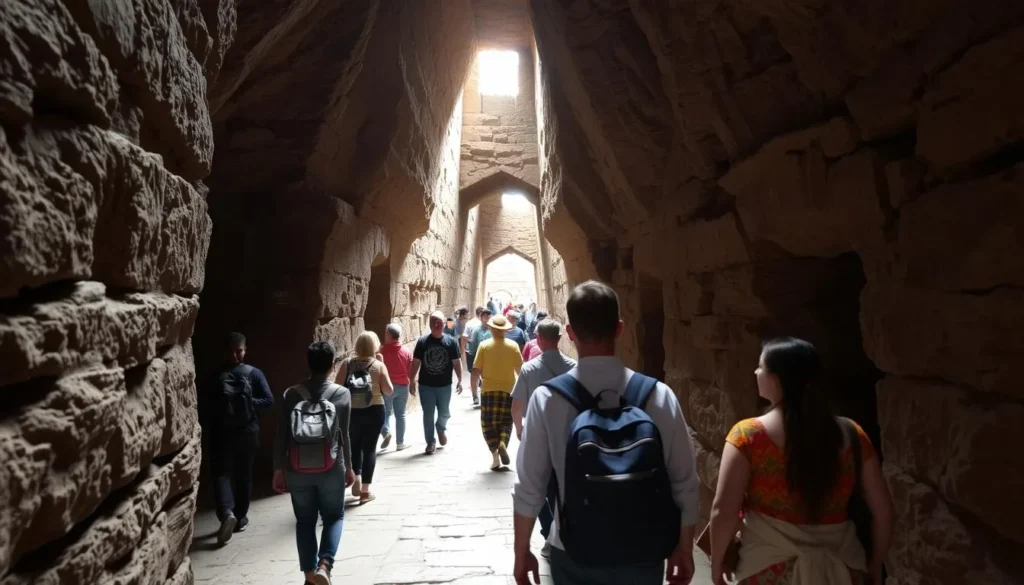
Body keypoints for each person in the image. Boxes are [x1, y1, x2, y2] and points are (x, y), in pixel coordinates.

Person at [512, 280, 699, 585]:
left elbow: (529, 487)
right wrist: (684, 546)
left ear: (570, 333)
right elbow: (685, 483)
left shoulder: (547, 400)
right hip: (644, 549)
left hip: (572, 549)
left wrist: (522, 551)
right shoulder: (659, 395)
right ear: (620, 328)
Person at [709, 338, 894, 585]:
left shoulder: (747, 436)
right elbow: (883, 512)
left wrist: (717, 562)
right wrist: (874, 564)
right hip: (842, 568)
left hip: (766, 569)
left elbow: (724, 511)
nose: (755, 372)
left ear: (776, 380)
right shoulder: (852, 435)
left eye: (761, 366)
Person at [272, 341, 355, 585]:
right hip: (331, 465)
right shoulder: (342, 394)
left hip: (297, 467)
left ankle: (309, 575)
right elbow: (345, 435)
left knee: (305, 521)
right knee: (334, 517)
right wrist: (349, 467)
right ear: (332, 365)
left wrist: (278, 469)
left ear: (308, 364)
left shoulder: (291, 394)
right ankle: (325, 565)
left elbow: (281, 435)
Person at [199, 332, 274, 545]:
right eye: (234, 351)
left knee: (221, 473)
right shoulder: (254, 373)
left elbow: (205, 405)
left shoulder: (214, 375)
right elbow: (269, 400)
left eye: (238, 351)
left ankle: (226, 514)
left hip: (222, 432)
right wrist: (250, 404)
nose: (235, 355)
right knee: (244, 474)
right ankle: (240, 517)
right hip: (248, 431)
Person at [510, 319, 576, 559]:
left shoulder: (529, 369)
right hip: (568, 438)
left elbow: (517, 405)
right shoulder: (574, 367)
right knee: (564, 489)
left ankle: (549, 533)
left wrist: (519, 429)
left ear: (538, 338)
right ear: (559, 338)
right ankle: (565, 534)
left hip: (538, 437)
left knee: (538, 487)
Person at [336, 331, 393, 504]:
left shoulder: (347, 363)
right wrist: (382, 367)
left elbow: (337, 387)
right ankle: (365, 492)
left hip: (352, 411)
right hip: (374, 409)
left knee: (354, 445)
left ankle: (357, 477)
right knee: (369, 449)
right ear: (374, 345)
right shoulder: (378, 364)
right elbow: (389, 390)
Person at [470, 314, 523, 470]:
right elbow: (521, 370)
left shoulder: (484, 346)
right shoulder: (513, 346)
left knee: (488, 424)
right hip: (508, 390)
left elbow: (476, 371)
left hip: (488, 390)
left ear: (492, 329)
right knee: (506, 421)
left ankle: (495, 456)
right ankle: (502, 443)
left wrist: (473, 389)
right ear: (505, 330)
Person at [410, 311, 464, 454]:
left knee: (445, 412)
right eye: (433, 321)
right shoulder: (422, 342)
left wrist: (460, 380)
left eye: (439, 322)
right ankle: (430, 442)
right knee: (428, 414)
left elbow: (457, 362)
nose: (436, 325)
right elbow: (415, 363)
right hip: (426, 386)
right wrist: (411, 380)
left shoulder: (451, 342)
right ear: (429, 324)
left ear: (444, 324)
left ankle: (440, 427)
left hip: (444, 386)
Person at [379, 323, 413, 451]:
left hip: (387, 386)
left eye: (385, 333)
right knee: (401, 415)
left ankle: (386, 433)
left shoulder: (381, 351)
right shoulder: (406, 351)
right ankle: (400, 443)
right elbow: (410, 371)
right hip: (403, 386)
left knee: (385, 413)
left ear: (388, 335)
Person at [461, 307, 487, 406]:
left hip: (472, 352)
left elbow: (464, 338)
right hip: (476, 352)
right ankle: (479, 394)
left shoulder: (470, 323)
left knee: (474, 374)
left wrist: (462, 351)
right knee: (479, 374)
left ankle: (475, 395)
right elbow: (463, 337)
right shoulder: (484, 324)